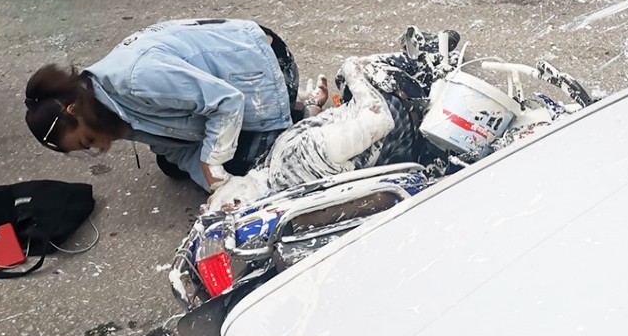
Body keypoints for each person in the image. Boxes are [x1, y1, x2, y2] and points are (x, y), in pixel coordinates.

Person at [24, 18, 321, 192]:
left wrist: (213, 163)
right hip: (230, 85)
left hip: (265, 66)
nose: (98, 147)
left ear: (73, 109)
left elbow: (228, 101)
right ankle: (289, 115)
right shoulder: (103, 108)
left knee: (254, 168)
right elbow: (175, 149)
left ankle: (301, 113)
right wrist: (218, 188)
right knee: (172, 166)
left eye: (87, 140)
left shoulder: (135, 78)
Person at [206, 27, 462, 211]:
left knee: (347, 88)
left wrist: (313, 107)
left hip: (382, 145)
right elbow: (379, 121)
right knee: (354, 71)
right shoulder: (292, 163)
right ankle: (433, 64)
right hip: (394, 122)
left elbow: (321, 145)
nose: (206, 200)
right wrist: (354, 70)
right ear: (236, 203)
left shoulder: (273, 183)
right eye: (211, 201)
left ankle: (426, 62)